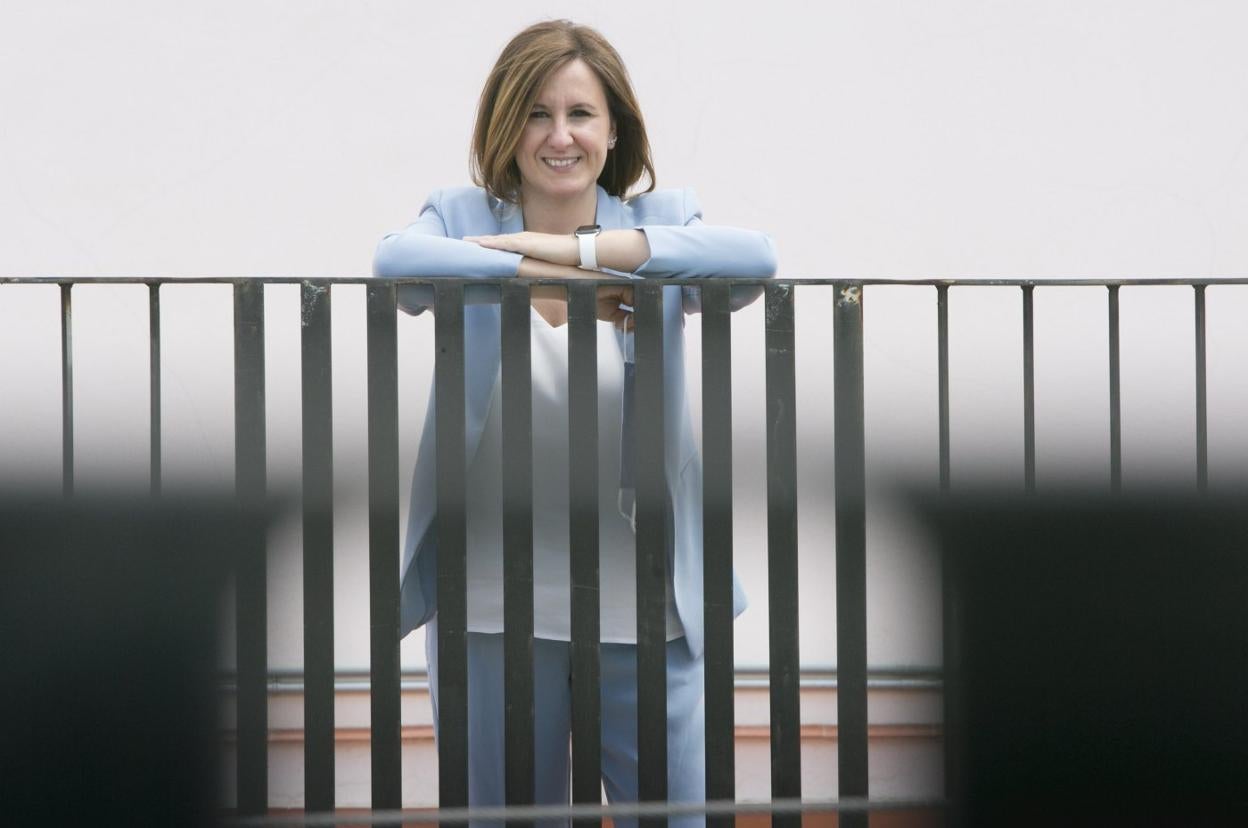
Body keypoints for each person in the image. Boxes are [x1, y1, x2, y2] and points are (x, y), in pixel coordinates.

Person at [372, 19, 776, 827]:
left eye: (581, 114)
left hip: (648, 605)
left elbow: (755, 261)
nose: (560, 136)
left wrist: (589, 252)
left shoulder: (664, 219)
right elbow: (396, 266)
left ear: (613, 128)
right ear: (506, 125)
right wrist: (536, 263)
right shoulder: (458, 214)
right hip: (490, 602)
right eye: (537, 113)